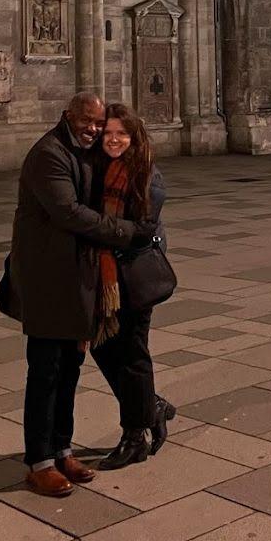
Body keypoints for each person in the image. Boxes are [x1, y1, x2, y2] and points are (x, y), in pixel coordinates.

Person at [6, 92, 146, 498]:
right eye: (87, 121)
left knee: (69, 368)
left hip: (73, 277)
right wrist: (123, 231)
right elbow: (67, 211)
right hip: (48, 278)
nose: (93, 129)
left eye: (98, 123)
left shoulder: (80, 151)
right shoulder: (49, 154)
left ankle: (62, 450)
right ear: (68, 116)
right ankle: (39, 463)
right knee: (46, 370)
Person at [90, 104, 176, 470]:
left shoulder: (147, 176)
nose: (113, 140)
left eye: (121, 134)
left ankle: (134, 437)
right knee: (102, 346)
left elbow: (143, 229)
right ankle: (149, 405)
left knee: (132, 352)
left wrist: (95, 228)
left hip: (134, 274)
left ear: (134, 137)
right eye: (108, 133)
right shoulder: (100, 169)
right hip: (106, 274)